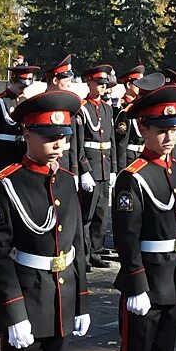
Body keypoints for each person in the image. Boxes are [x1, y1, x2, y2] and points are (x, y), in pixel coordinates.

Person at [0, 90, 90, 351]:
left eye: (62, 136)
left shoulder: (67, 180)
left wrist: (82, 301)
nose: (58, 144)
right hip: (29, 299)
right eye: (48, 136)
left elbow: (78, 245)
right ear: (27, 134)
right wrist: (14, 311)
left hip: (63, 299)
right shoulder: (8, 184)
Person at [111, 83, 176, 351]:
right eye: (161, 130)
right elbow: (127, 237)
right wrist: (135, 285)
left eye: (174, 129)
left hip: (174, 282)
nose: (170, 137)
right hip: (147, 284)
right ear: (142, 128)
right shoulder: (133, 177)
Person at [73, 65, 115, 270]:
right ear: (88, 83)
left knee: (101, 213)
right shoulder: (82, 108)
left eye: (104, 84)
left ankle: (96, 251)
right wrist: (84, 170)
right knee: (86, 215)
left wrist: (114, 168)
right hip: (91, 168)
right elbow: (78, 143)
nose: (102, 87)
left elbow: (111, 141)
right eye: (98, 83)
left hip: (105, 167)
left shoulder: (107, 108)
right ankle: (84, 254)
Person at [0, 64, 39, 177]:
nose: (23, 91)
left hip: (23, 152)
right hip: (4, 152)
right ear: (12, 81)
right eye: (20, 87)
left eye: (25, 88)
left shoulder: (27, 101)